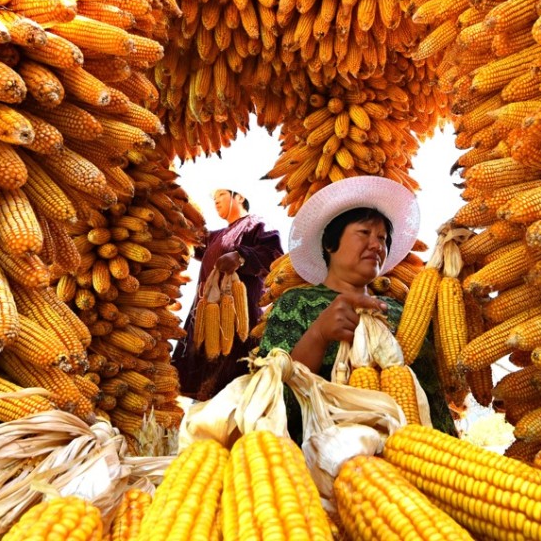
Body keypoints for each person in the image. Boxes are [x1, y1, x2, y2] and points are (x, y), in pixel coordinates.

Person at [258, 176, 457, 441]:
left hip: (426, 458)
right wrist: (318, 335)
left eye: (383, 239)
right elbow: (267, 403)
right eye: (364, 233)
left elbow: (435, 394)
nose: (377, 245)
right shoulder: (297, 304)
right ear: (330, 244)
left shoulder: (401, 311)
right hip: (338, 464)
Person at [172, 187, 283, 400]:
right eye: (213, 198)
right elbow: (192, 241)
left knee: (235, 389)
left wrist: (241, 257)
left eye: (221, 195)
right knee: (201, 392)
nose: (215, 201)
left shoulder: (257, 224)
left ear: (239, 196)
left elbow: (273, 256)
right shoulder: (215, 236)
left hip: (241, 320)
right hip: (206, 321)